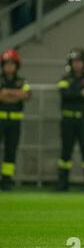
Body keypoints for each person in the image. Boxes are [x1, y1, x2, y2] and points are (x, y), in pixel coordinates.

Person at [57, 48, 84, 192]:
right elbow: (64, 94)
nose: (77, 64)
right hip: (67, 120)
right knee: (65, 153)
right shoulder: (64, 78)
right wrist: (80, 91)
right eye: (74, 61)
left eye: (79, 61)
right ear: (70, 63)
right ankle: (62, 183)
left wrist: (72, 91)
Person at [0, 48, 31, 191]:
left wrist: (7, 93)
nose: (9, 66)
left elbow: (27, 95)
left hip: (15, 123)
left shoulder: (21, 81)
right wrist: (16, 95)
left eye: (12, 64)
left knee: (10, 151)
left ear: (17, 65)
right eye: (7, 64)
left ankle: (7, 180)